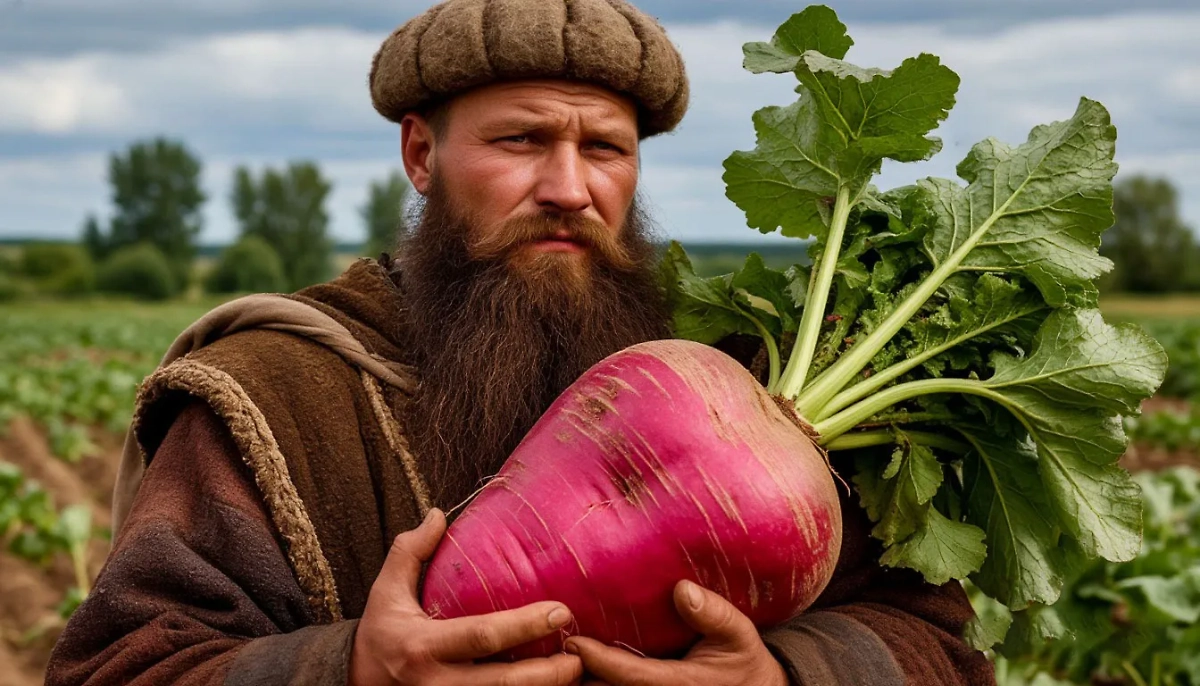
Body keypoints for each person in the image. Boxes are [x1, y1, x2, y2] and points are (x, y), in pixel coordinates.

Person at [45, 0, 996, 684]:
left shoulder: (740, 392)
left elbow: (940, 644)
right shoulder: (276, 392)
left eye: (606, 148)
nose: (570, 188)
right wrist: (350, 668)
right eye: (521, 141)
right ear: (422, 155)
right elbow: (117, 664)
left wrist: (783, 675)